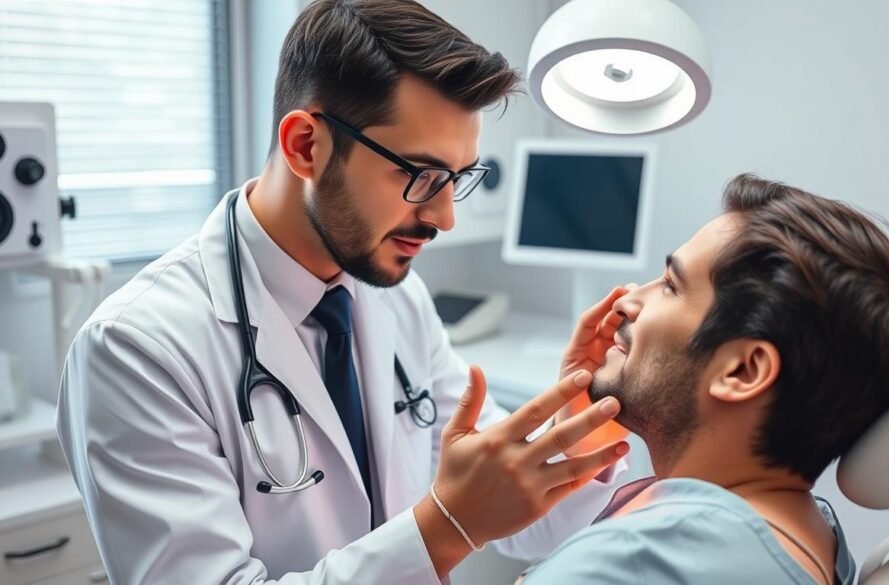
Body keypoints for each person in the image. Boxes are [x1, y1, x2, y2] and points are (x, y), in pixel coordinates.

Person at [55, 1, 634, 583]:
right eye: (421, 176)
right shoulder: (137, 349)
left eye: (456, 179)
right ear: (306, 145)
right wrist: (445, 528)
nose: (443, 217)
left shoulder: (395, 297)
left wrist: (590, 414)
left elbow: (523, 513)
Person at [518, 174, 889, 585]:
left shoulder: (633, 563)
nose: (627, 301)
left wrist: (452, 528)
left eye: (669, 286)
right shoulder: (816, 533)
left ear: (743, 371)